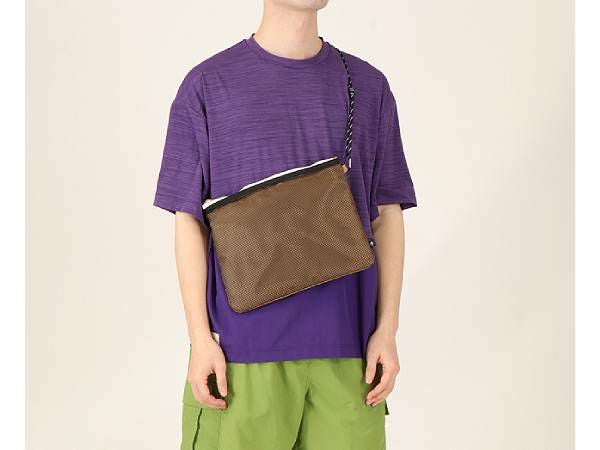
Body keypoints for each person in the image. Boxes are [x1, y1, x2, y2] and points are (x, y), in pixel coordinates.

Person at [153, 1, 416, 448]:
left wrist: (387, 331)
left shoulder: (368, 86)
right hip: (240, 356)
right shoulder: (207, 86)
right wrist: (200, 339)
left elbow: (386, 215)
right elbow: (188, 220)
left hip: (349, 357)